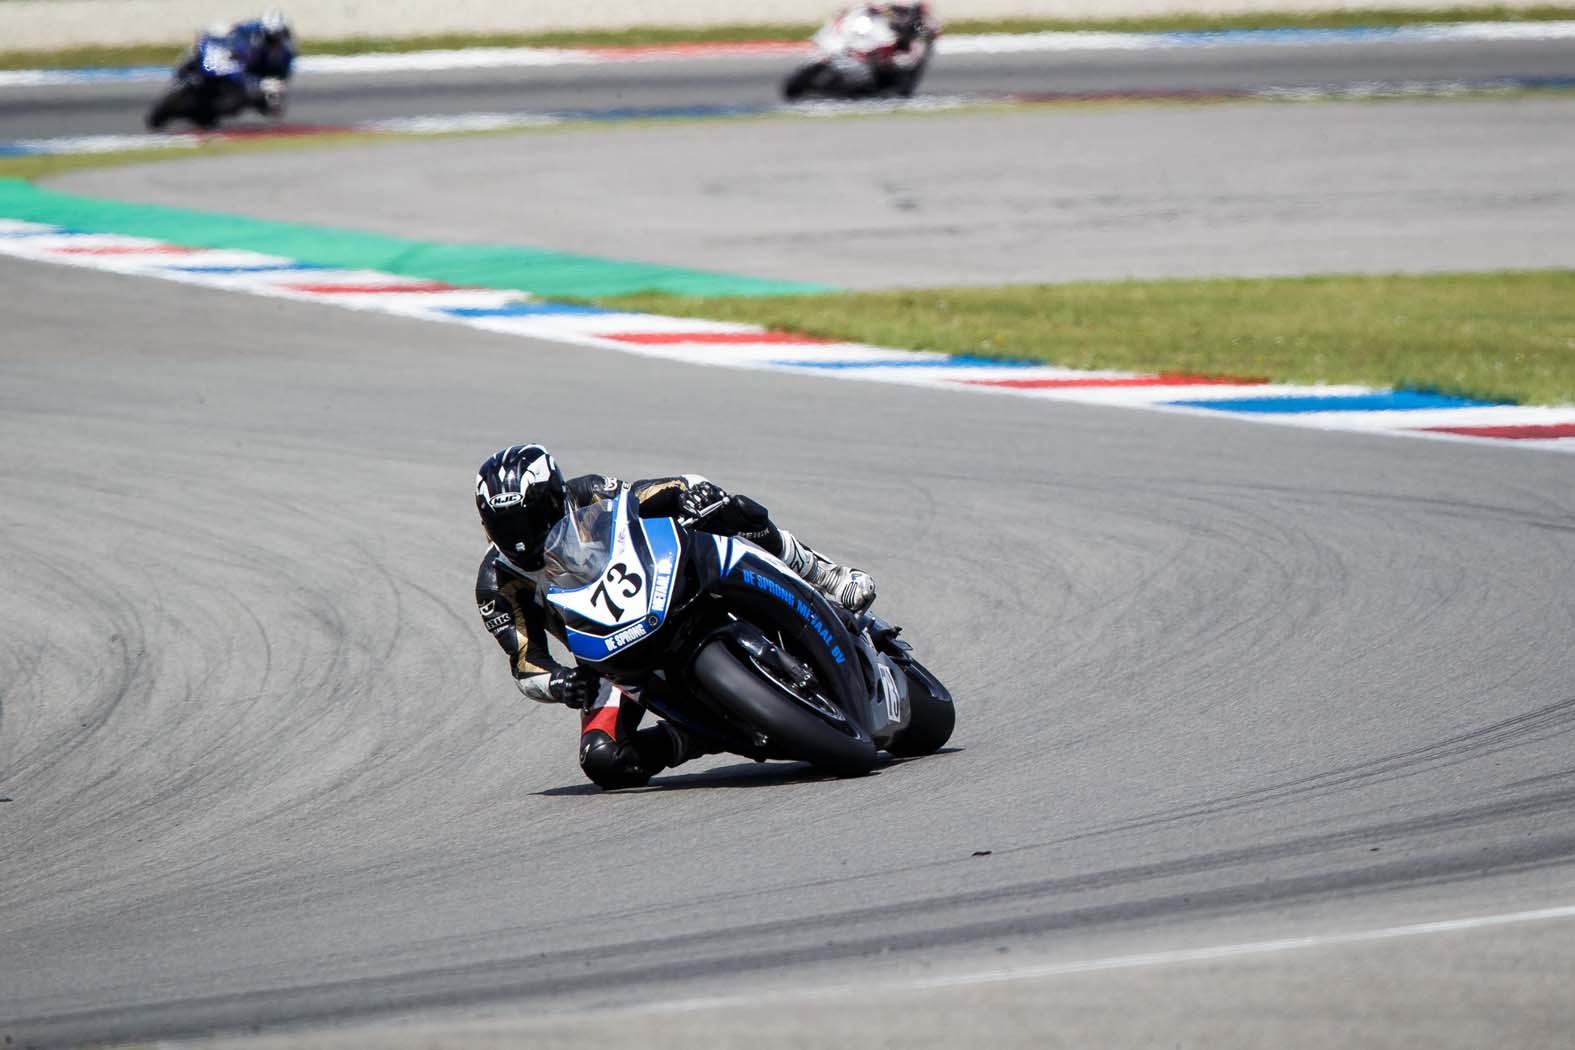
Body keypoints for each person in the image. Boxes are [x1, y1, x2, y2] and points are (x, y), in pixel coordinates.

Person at [474, 444, 875, 790]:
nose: (520, 537)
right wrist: (561, 683)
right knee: (605, 759)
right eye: (504, 526)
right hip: (606, 659)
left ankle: (825, 575)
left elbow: (656, 492)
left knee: (730, 511)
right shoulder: (498, 582)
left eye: (526, 519)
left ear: (553, 498)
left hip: (661, 591)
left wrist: (691, 493)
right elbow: (525, 662)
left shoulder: (589, 495)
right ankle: (699, 733)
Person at [196, 9, 296, 115]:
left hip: (255, 75)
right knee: (205, 47)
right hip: (236, 62)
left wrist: (273, 87)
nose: (271, 38)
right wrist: (223, 32)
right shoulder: (253, 28)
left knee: (269, 101)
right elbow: (233, 30)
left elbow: (282, 76)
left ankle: (219, 107)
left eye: (275, 35)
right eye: (268, 35)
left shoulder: (286, 50)